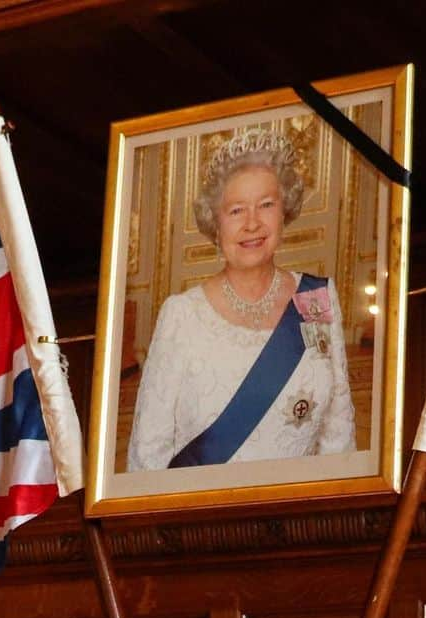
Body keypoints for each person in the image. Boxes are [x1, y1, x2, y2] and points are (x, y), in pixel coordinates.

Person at [125, 128, 357, 472]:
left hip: (298, 514)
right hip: (205, 518)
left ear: (284, 212)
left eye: (266, 205)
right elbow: (149, 450)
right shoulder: (182, 314)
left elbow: (338, 428)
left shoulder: (317, 298)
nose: (252, 223)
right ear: (215, 224)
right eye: (236, 210)